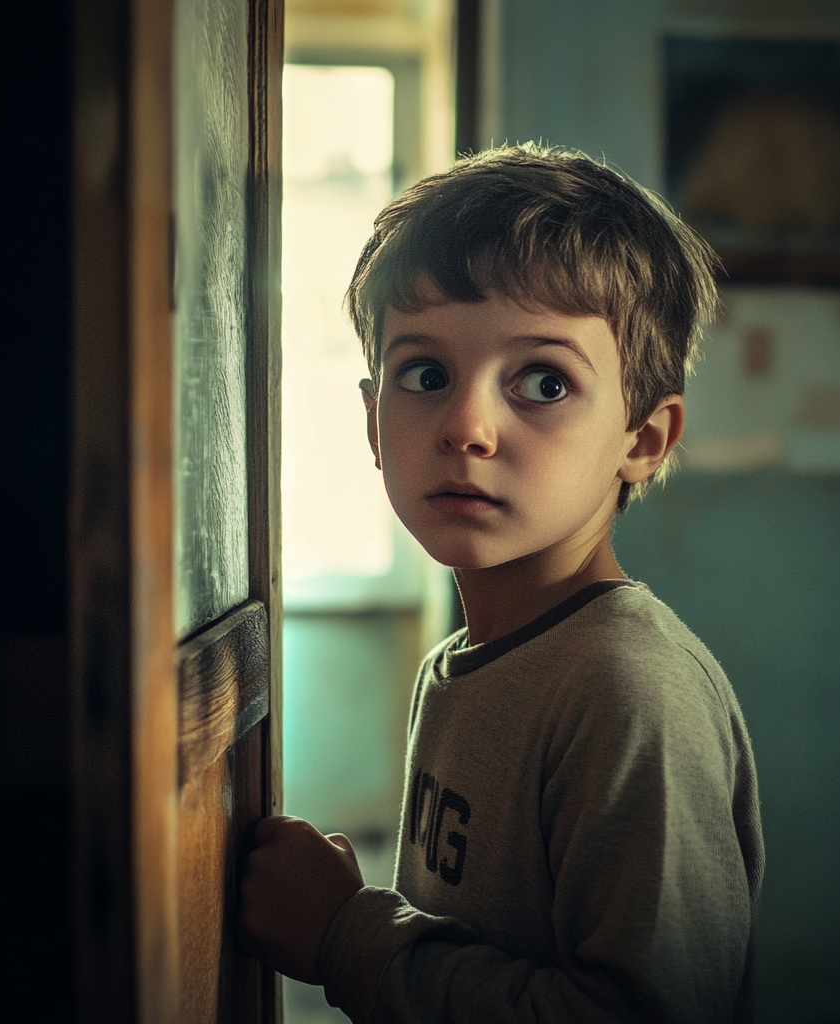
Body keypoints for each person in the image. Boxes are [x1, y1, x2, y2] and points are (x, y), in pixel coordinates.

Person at [239, 144, 764, 1023]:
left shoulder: (628, 690)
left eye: (544, 381)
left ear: (643, 437)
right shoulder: (462, 663)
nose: (467, 424)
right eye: (425, 374)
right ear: (373, 421)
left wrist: (344, 936)